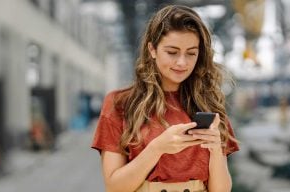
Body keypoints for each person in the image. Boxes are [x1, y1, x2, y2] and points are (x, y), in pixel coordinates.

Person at [91, 5, 239, 192]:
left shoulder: (209, 104)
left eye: (191, 53)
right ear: (152, 49)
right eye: (172, 52)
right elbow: (114, 187)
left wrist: (216, 149)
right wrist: (157, 148)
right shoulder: (119, 103)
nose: (182, 62)